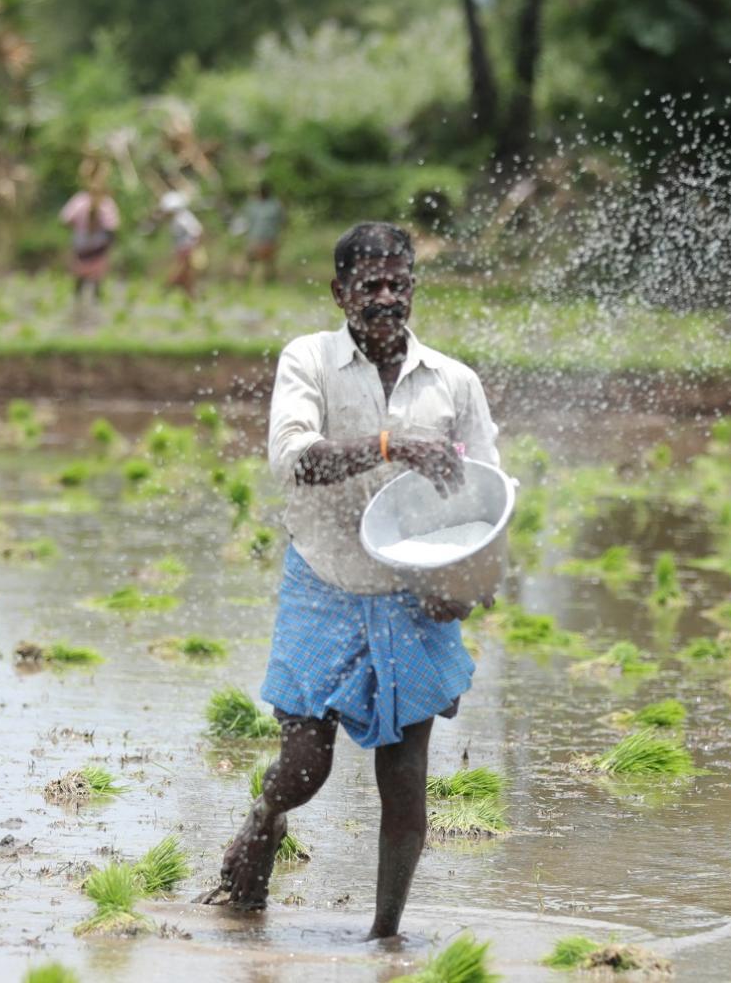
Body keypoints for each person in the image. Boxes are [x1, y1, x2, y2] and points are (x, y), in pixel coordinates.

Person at [197, 221, 500, 941]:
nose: (387, 297)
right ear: (340, 293)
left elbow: (489, 499)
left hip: (412, 596)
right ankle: (263, 822)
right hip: (325, 582)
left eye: (400, 283)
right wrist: (392, 446)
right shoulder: (310, 361)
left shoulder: (453, 383)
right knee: (304, 766)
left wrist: (470, 584)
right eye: (371, 285)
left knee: (404, 780)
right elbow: (293, 460)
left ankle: (385, 935)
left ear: (414, 288)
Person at [60, 164, 120, 304]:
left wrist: (78, 226)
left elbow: (65, 221)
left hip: (81, 247)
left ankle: (78, 309)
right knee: (96, 285)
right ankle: (94, 310)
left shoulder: (79, 201)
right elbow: (113, 228)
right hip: (98, 249)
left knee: (79, 283)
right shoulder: (107, 203)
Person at [154, 191, 204, 298]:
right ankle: (192, 296)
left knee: (179, 273)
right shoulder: (175, 220)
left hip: (187, 250)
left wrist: (193, 250)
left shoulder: (184, 218)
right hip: (181, 250)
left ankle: (164, 292)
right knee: (185, 276)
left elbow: (197, 232)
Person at [240, 182, 285, 285]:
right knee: (249, 261)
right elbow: (245, 221)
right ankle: (244, 282)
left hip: (269, 239)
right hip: (254, 238)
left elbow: (282, 222)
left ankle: (269, 282)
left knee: (268, 263)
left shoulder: (275, 205)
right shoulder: (252, 205)